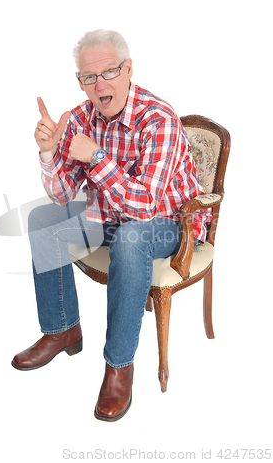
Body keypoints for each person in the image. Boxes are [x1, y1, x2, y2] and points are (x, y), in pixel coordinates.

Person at [11, 29, 209, 422]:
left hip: (168, 223)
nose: (100, 84)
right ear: (80, 82)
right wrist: (49, 152)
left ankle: (119, 366)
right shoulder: (81, 117)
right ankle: (62, 330)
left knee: (133, 237)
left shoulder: (159, 119)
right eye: (89, 77)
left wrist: (96, 156)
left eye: (110, 72)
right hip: (109, 218)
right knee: (42, 218)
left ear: (128, 70)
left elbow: (145, 206)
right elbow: (62, 194)